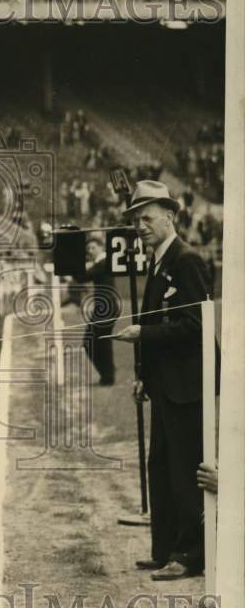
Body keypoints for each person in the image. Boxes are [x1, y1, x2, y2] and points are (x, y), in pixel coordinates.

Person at [113, 180, 219, 581]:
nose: (140, 226)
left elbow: (194, 327)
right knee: (161, 468)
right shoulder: (159, 260)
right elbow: (157, 320)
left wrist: (142, 335)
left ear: (170, 215)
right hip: (165, 384)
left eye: (147, 217)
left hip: (188, 386)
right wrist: (144, 375)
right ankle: (165, 549)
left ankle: (191, 554)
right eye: (135, 219)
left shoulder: (186, 260)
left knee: (185, 470)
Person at [75, 235, 116, 386]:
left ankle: (108, 375)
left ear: (101, 247)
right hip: (104, 307)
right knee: (99, 342)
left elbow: (82, 277)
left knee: (93, 342)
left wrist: (72, 263)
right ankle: (108, 374)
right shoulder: (102, 262)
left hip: (106, 308)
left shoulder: (103, 262)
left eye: (93, 248)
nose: (90, 251)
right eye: (88, 249)